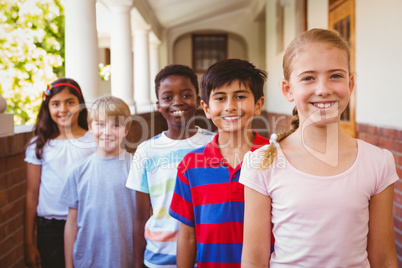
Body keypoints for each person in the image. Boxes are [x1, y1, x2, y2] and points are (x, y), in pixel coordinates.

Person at [240, 28, 399, 268]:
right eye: (308, 78)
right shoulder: (261, 163)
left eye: (335, 75)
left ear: (351, 82)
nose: (323, 88)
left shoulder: (378, 162)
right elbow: (253, 260)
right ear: (287, 89)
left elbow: (384, 258)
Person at [169, 59, 272, 267]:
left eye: (240, 97)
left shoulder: (275, 157)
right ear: (206, 108)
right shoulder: (191, 165)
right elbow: (187, 236)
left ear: (258, 104)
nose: (230, 107)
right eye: (220, 98)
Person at [126, 64, 215, 268]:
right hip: (158, 257)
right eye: (168, 97)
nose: (177, 102)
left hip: (205, 255)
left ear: (199, 100)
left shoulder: (215, 144)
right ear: (158, 105)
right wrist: (137, 264)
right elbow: (140, 218)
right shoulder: (146, 151)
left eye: (185, 95)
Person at [24, 78, 95, 268]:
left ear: (80, 105)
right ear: (48, 108)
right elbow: (32, 194)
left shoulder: (94, 141)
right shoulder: (38, 146)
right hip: (50, 228)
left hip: (87, 223)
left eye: (70, 102)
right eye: (56, 104)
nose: (63, 109)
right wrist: (29, 243)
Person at [59, 96, 136, 268]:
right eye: (100, 124)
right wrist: (69, 265)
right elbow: (71, 223)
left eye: (116, 125)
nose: (107, 132)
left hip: (126, 259)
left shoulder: (136, 167)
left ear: (126, 129)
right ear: (90, 127)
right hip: (86, 261)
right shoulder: (78, 171)